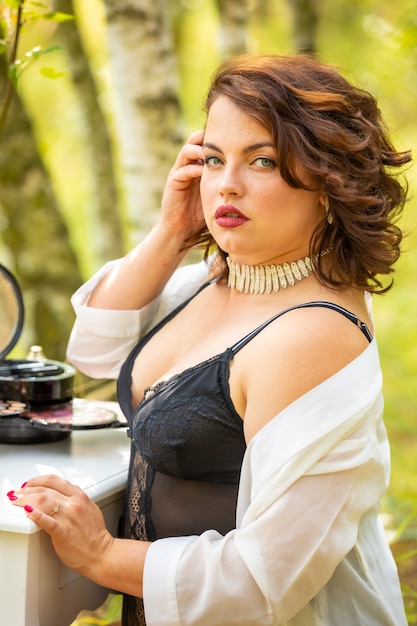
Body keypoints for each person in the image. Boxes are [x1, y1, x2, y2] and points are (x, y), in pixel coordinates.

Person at [8, 54, 411, 625]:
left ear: (327, 183)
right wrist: (173, 230)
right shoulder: (214, 283)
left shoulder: (313, 335)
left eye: (262, 160)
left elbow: (262, 579)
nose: (226, 185)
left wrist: (100, 553)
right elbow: (94, 351)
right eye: (214, 158)